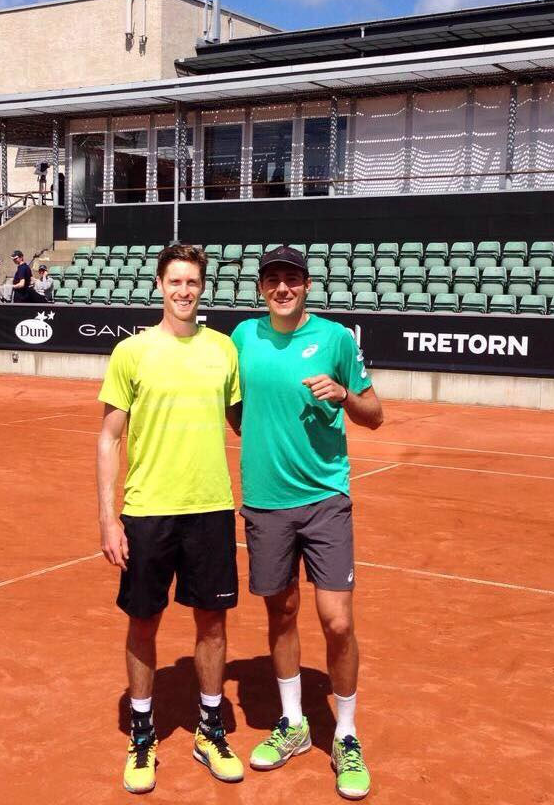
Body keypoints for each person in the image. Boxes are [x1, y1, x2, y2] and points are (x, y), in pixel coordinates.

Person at [231, 246, 383, 801]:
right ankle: (295, 723)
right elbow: (233, 408)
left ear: (307, 284)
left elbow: (375, 415)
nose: (282, 288)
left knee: (336, 620)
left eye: (291, 279)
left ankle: (345, 734)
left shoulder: (338, 340)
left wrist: (343, 395)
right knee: (282, 610)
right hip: (266, 502)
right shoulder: (242, 339)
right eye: (272, 280)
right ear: (260, 288)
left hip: (325, 499)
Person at [96, 243, 244, 795]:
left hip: (210, 508)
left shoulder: (225, 351)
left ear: (203, 288)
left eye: (193, 282)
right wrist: (109, 520)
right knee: (143, 621)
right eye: (175, 281)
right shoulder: (132, 353)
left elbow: (245, 422)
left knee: (212, 622)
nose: (184, 291)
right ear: (160, 285)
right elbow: (109, 438)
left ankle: (210, 727)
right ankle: (142, 732)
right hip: (147, 512)